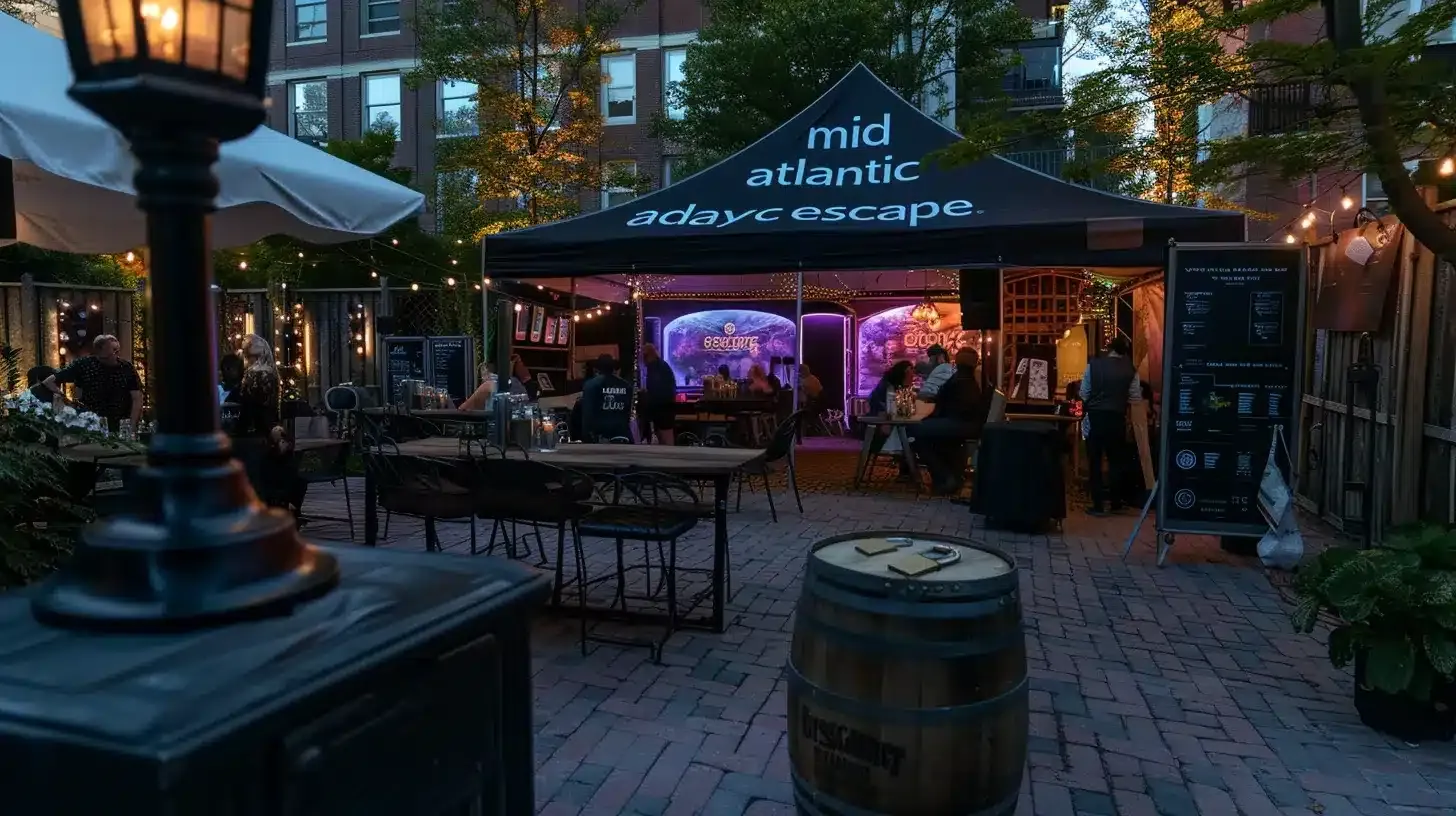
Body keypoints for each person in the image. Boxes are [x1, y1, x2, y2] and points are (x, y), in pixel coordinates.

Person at [232, 334, 303, 512]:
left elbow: (250, 406)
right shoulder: (268, 372)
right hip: (269, 428)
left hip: (259, 431)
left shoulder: (256, 374)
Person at [1078, 336, 1142, 516]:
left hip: (1095, 418)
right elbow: (1135, 397)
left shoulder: (1094, 365)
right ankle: (1115, 502)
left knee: (1095, 461)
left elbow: (1084, 393)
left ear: (1110, 349)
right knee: (1116, 461)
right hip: (1117, 418)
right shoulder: (1130, 370)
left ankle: (1098, 505)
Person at [911, 348, 989, 495]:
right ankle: (947, 477)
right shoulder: (972, 380)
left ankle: (944, 476)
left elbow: (947, 404)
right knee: (929, 436)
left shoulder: (960, 380)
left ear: (957, 363)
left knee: (916, 431)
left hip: (960, 424)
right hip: (965, 424)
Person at [43, 334, 142, 432]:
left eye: (118, 350)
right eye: (114, 351)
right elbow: (49, 381)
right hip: (91, 426)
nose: (117, 355)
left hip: (120, 426)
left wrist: (132, 426)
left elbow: (137, 398)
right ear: (100, 351)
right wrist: (64, 398)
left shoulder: (126, 368)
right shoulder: (84, 365)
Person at [866, 361, 915, 478]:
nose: (913, 376)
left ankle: (908, 470)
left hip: (885, 428)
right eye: (911, 373)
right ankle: (908, 469)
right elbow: (890, 413)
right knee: (912, 436)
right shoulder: (889, 388)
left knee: (911, 434)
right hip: (882, 433)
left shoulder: (891, 386)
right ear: (904, 373)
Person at [580, 354, 633, 442]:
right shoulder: (626, 385)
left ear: (597, 369)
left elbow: (587, 413)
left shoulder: (590, 385)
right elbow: (628, 411)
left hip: (601, 436)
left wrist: (586, 436)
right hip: (622, 434)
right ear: (613, 368)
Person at [641, 343, 677, 445]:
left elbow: (657, 390)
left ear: (647, 356)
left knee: (666, 439)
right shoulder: (660, 366)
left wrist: (646, 395)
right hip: (665, 408)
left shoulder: (656, 368)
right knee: (665, 439)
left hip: (663, 409)